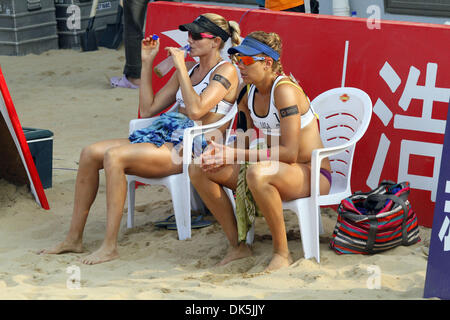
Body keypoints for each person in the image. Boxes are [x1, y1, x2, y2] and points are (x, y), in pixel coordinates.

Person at [39, 13, 241, 265]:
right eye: (189, 34)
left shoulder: (227, 71)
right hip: (164, 135)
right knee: (89, 152)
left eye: (198, 35)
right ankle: (74, 238)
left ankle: (110, 246)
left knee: (115, 156)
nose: (191, 39)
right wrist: (147, 63)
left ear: (216, 42)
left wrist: (179, 67)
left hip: (190, 145)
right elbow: (148, 109)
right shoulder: (189, 68)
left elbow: (197, 111)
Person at [188, 31, 331, 272]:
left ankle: (281, 253)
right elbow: (244, 142)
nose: (239, 67)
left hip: (311, 172)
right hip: (275, 167)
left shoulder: (284, 91)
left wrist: (234, 155)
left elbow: (289, 154)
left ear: (267, 63)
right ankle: (238, 245)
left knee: (258, 174)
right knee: (199, 167)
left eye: (245, 61)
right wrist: (222, 152)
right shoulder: (247, 92)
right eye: (236, 60)